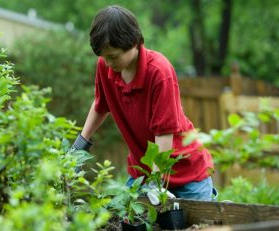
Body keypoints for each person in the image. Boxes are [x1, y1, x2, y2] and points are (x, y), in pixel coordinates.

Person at [71, 5, 216, 201]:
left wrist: (155, 185)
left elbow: (164, 134)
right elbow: (100, 104)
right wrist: (78, 148)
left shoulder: (159, 72)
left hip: (186, 174)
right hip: (143, 173)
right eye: (103, 57)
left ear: (134, 43)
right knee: (125, 218)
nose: (107, 63)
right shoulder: (106, 67)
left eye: (113, 56)